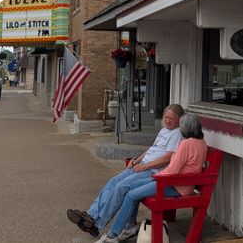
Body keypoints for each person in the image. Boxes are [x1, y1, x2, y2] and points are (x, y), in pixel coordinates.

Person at [67, 104, 184, 238]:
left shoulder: (177, 133)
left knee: (121, 187)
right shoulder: (164, 130)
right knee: (113, 182)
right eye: (166, 117)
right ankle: (91, 214)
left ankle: (96, 223)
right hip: (143, 165)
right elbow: (153, 149)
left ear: (179, 120)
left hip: (152, 172)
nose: (168, 121)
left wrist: (144, 167)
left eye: (172, 119)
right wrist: (137, 160)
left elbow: (167, 158)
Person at [97, 113, 208, 243]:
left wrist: (155, 176)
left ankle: (112, 235)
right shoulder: (202, 143)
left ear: (186, 128)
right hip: (180, 183)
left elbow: (173, 170)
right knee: (131, 186)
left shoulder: (186, 144)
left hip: (175, 186)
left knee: (131, 195)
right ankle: (127, 228)